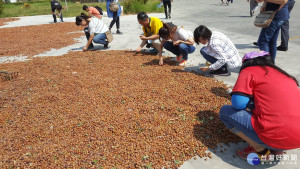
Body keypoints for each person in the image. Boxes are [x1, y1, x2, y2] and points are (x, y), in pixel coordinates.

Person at [219, 51, 300, 161]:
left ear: (246, 63)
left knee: (225, 111)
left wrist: (249, 104)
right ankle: (277, 148)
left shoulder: (249, 71)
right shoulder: (286, 76)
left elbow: (238, 103)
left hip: (273, 136)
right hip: (296, 139)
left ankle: (260, 149)